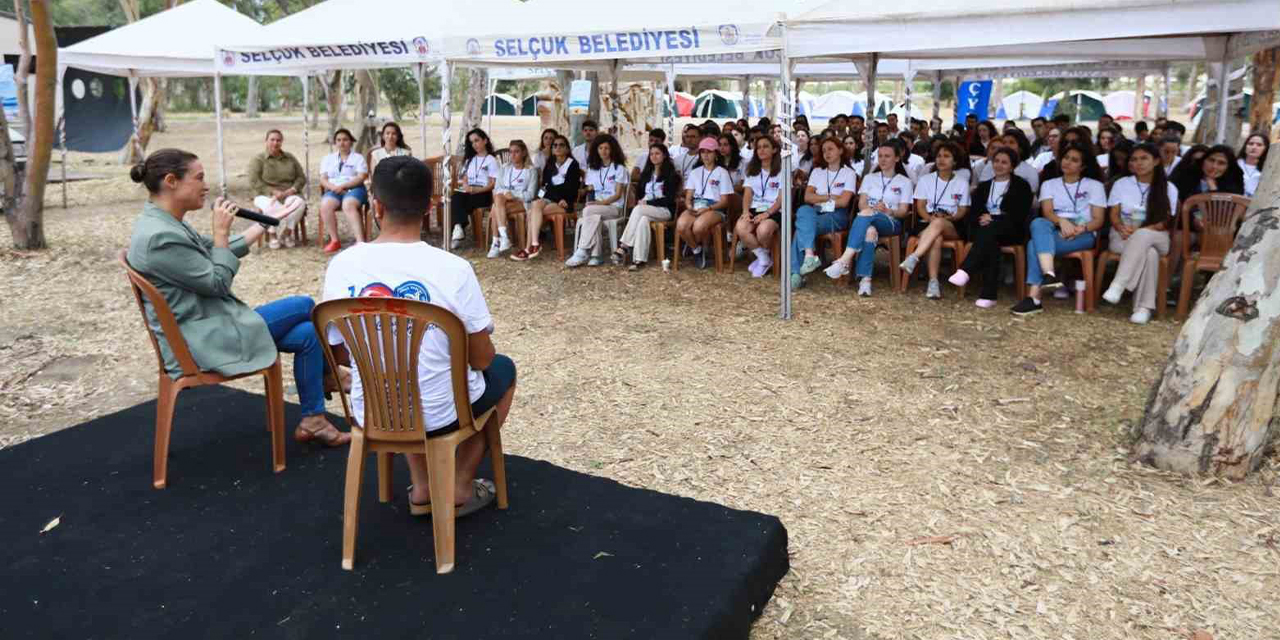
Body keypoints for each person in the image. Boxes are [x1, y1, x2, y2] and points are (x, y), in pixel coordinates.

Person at [322, 155, 515, 517]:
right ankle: (458, 485)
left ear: (375, 206)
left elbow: (340, 355)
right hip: (441, 412)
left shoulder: (342, 266)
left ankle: (424, 485)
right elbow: (482, 360)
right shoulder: (453, 269)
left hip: (371, 410)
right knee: (504, 371)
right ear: (429, 207)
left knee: (395, 372)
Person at [128, 148, 349, 446]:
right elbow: (217, 281)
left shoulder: (165, 222)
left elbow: (216, 249)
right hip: (199, 341)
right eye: (199, 178)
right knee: (305, 305)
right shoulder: (159, 238)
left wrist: (265, 221)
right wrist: (220, 234)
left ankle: (314, 419)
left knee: (309, 333)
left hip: (210, 324)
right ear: (171, 181)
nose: (206, 186)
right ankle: (332, 373)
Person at [1011, 143, 1107, 316]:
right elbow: (1047, 212)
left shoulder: (1094, 186)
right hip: (1054, 228)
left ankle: (1034, 297)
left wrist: (1080, 228)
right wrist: (1062, 221)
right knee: (1038, 222)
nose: (1067, 162)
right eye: (1066, 158)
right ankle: (1048, 274)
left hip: (1083, 232)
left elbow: (1099, 220)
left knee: (1034, 244)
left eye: (1074, 160)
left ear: (1083, 166)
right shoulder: (1049, 184)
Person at [1099, 143, 1178, 324]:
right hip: (1122, 235)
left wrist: (1140, 231)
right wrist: (1120, 227)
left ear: (1156, 161)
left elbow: (1165, 222)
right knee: (1149, 254)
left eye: (1144, 158)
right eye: (1134, 159)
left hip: (1157, 235)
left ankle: (1119, 284)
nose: (1139, 163)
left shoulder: (1169, 188)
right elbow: (1114, 215)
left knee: (1142, 237)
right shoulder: (1121, 184)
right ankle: (1143, 308)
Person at [947, 147, 1034, 308]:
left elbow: (1019, 214)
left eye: (1004, 162)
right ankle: (988, 295)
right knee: (990, 239)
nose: (999, 165)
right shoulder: (984, 186)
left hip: (1010, 230)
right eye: (996, 161)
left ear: (1012, 166)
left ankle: (966, 270)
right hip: (984, 229)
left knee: (990, 232)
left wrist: (993, 218)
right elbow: (973, 212)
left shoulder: (1021, 186)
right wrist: (983, 219)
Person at [824, 142, 914, 296]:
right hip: (868, 218)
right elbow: (861, 203)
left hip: (891, 222)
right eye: (880, 156)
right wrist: (871, 210)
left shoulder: (905, 182)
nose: (883, 160)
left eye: (887, 156)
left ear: (897, 158)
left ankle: (845, 259)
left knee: (867, 215)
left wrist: (888, 210)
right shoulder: (869, 178)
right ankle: (865, 280)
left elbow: (904, 211)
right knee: (869, 231)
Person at [899, 141, 972, 299]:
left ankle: (914, 257)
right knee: (936, 238)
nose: (941, 159)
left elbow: (962, 210)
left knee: (939, 224)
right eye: (939, 156)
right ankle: (933, 283)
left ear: (955, 161)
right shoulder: (926, 180)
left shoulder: (961, 182)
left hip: (952, 224)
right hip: (927, 222)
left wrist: (949, 217)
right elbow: (920, 207)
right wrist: (930, 218)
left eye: (946, 156)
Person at [791, 137, 856, 290]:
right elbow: (807, 198)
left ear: (840, 150)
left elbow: (844, 201)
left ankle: (796, 273)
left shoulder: (849, 173)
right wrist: (829, 196)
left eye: (831, 149)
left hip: (836, 215)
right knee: (803, 210)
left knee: (802, 228)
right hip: (816, 211)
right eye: (824, 150)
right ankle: (808, 255)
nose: (827, 153)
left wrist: (819, 198)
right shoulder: (818, 172)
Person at [510, 134, 581, 261]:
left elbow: (571, 188)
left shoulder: (573, 165)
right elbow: (544, 186)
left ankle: (529, 248)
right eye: (555, 145)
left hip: (565, 202)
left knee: (532, 212)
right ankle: (535, 244)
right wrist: (540, 196)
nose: (558, 147)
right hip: (553, 199)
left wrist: (559, 197)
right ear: (552, 149)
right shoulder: (550, 164)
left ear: (567, 149)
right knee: (535, 204)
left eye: (561, 145)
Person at [565, 134, 629, 267]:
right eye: (600, 148)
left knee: (589, 211)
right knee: (594, 215)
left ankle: (582, 250)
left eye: (607, 148)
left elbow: (617, 195)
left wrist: (598, 203)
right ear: (596, 149)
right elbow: (591, 190)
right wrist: (591, 199)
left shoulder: (619, 168)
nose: (603, 151)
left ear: (612, 150)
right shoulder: (593, 168)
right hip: (597, 208)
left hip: (614, 207)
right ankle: (596, 255)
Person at [616, 143, 681, 270]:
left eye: (657, 153)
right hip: (646, 210)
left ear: (664, 156)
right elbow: (641, 195)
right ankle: (639, 260)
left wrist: (648, 203)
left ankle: (624, 246)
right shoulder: (646, 175)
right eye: (651, 154)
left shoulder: (672, 176)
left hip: (665, 210)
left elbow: (669, 200)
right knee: (643, 220)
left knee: (639, 209)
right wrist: (644, 202)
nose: (654, 156)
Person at [676, 137, 733, 269]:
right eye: (703, 152)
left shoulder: (722, 173)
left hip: (715, 208)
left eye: (709, 152)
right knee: (681, 225)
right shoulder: (695, 172)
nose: (706, 155)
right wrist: (689, 206)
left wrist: (708, 208)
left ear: (716, 154)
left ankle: (693, 244)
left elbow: (724, 201)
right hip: (696, 204)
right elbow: (689, 196)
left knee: (698, 226)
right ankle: (697, 250)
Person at [735, 135, 785, 277]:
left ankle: (764, 256)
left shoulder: (783, 171)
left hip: (774, 210)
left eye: (765, 146)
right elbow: (747, 194)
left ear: (774, 149)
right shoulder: (752, 170)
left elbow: (781, 200)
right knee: (741, 227)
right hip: (754, 208)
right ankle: (764, 258)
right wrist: (745, 211)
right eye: (759, 147)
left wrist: (767, 214)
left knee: (763, 230)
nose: (761, 150)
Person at [248, 129, 306, 249]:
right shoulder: (258, 159)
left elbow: (301, 177)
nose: (275, 143)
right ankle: (273, 234)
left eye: (278, 140)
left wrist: (292, 190)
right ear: (266, 141)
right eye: (272, 140)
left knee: (299, 203)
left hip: (289, 194)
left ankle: (286, 234)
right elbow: (254, 181)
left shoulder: (290, 158)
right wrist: (273, 191)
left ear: (282, 142)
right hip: (265, 194)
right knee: (270, 205)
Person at [319, 128, 369, 253]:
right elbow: (323, 178)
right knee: (325, 205)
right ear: (335, 143)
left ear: (351, 142)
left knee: (348, 204)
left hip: (354, 189)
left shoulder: (358, 158)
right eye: (339, 140)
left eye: (345, 140)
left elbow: (361, 177)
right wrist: (333, 187)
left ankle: (360, 241)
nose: (342, 143)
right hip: (334, 189)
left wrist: (344, 186)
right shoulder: (328, 159)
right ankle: (334, 240)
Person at [486, 140, 539, 258]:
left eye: (516, 152)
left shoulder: (531, 170)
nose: (513, 155)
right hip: (504, 201)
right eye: (511, 152)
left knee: (495, 207)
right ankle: (503, 237)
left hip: (522, 202)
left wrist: (514, 194)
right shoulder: (505, 168)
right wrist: (506, 193)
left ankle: (497, 242)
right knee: (498, 201)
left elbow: (531, 194)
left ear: (524, 153)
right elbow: (497, 188)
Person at [450, 128, 500, 249]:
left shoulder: (491, 160)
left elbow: (493, 184)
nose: (474, 144)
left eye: (477, 140)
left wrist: (475, 190)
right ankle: (458, 227)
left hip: (484, 193)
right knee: (455, 196)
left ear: (485, 141)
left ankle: (459, 228)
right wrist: (467, 186)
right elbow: (465, 178)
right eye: (472, 142)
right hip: (469, 191)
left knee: (459, 200)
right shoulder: (469, 160)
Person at [1238, 132, 1268, 197]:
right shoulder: (1234, 165)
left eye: (1259, 145)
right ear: (1245, 146)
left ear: (1265, 149)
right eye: (1250, 144)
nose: (1254, 147)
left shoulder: (1268, 169)